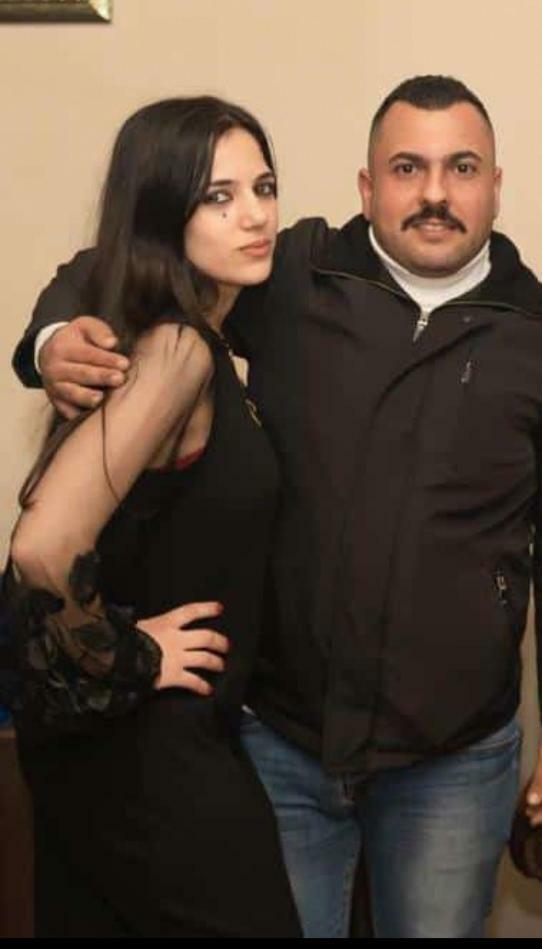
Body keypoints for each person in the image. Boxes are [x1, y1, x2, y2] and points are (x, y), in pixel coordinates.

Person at [12, 75, 542, 938]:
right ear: (366, 186)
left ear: (497, 183)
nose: (436, 193)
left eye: (462, 167)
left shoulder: (533, 331)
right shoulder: (291, 273)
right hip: (278, 742)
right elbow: (124, 257)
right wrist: (51, 340)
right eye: (407, 167)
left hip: (453, 761)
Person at [3, 96, 302, 938]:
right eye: (218, 196)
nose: (255, 215)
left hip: (142, 742)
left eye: (263, 187)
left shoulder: (194, 339)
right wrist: (134, 655)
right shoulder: (176, 349)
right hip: (147, 751)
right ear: (163, 213)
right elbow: (41, 547)